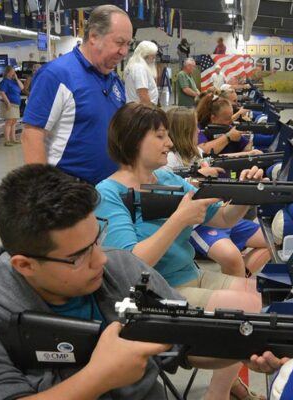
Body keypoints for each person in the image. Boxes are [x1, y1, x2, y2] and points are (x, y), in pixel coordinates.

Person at [0, 163, 285, 400]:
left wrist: (241, 347)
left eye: (98, 239)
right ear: (24, 265)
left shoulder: (119, 268)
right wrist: (99, 377)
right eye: (79, 255)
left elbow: (185, 345)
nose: (102, 259)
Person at [95, 103, 268, 399]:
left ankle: (221, 391)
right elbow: (131, 266)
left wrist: (246, 194)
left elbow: (222, 218)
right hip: (158, 293)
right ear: (135, 139)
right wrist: (178, 220)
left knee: (266, 301)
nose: (170, 143)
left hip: (192, 275)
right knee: (249, 314)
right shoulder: (108, 193)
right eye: (160, 136)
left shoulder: (166, 179)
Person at [21, 5, 131, 185]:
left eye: (128, 44)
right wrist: (41, 193)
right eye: (119, 42)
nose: (124, 52)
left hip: (110, 190)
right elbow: (32, 135)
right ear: (94, 36)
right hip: (70, 194)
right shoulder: (56, 75)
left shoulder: (114, 80)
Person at [164, 107, 270, 277]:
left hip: (217, 213)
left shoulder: (193, 151)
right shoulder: (169, 160)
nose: (198, 130)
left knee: (271, 241)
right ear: (184, 131)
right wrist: (197, 178)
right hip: (197, 223)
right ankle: (236, 285)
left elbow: (216, 160)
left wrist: (247, 154)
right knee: (231, 257)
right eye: (194, 127)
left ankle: (241, 275)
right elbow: (170, 192)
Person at [124, 40, 159, 105]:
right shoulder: (139, 68)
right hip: (143, 111)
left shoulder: (136, 66)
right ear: (145, 55)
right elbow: (143, 94)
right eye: (152, 55)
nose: (154, 58)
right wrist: (150, 111)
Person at [0, 65, 23, 146]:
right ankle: (7, 140)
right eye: (13, 71)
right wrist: (8, 103)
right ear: (8, 72)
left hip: (16, 104)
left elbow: (22, 87)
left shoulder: (13, 81)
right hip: (9, 104)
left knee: (14, 122)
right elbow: (2, 93)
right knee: (9, 122)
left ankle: (13, 139)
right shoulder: (5, 82)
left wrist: (16, 78)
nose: (14, 73)